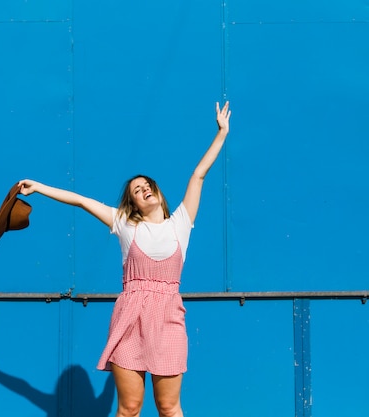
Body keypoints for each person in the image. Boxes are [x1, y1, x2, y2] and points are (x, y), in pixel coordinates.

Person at [18, 101, 231, 417]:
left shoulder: (181, 223)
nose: (144, 190)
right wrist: (40, 187)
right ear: (132, 204)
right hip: (130, 316)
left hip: (168, 318)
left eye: (147, 186)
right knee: (129, 408)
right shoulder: (124, 225)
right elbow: (81, 200)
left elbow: (198, 176)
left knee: (169, 407)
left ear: (157, 192)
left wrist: (222, 133)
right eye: (136, 190)